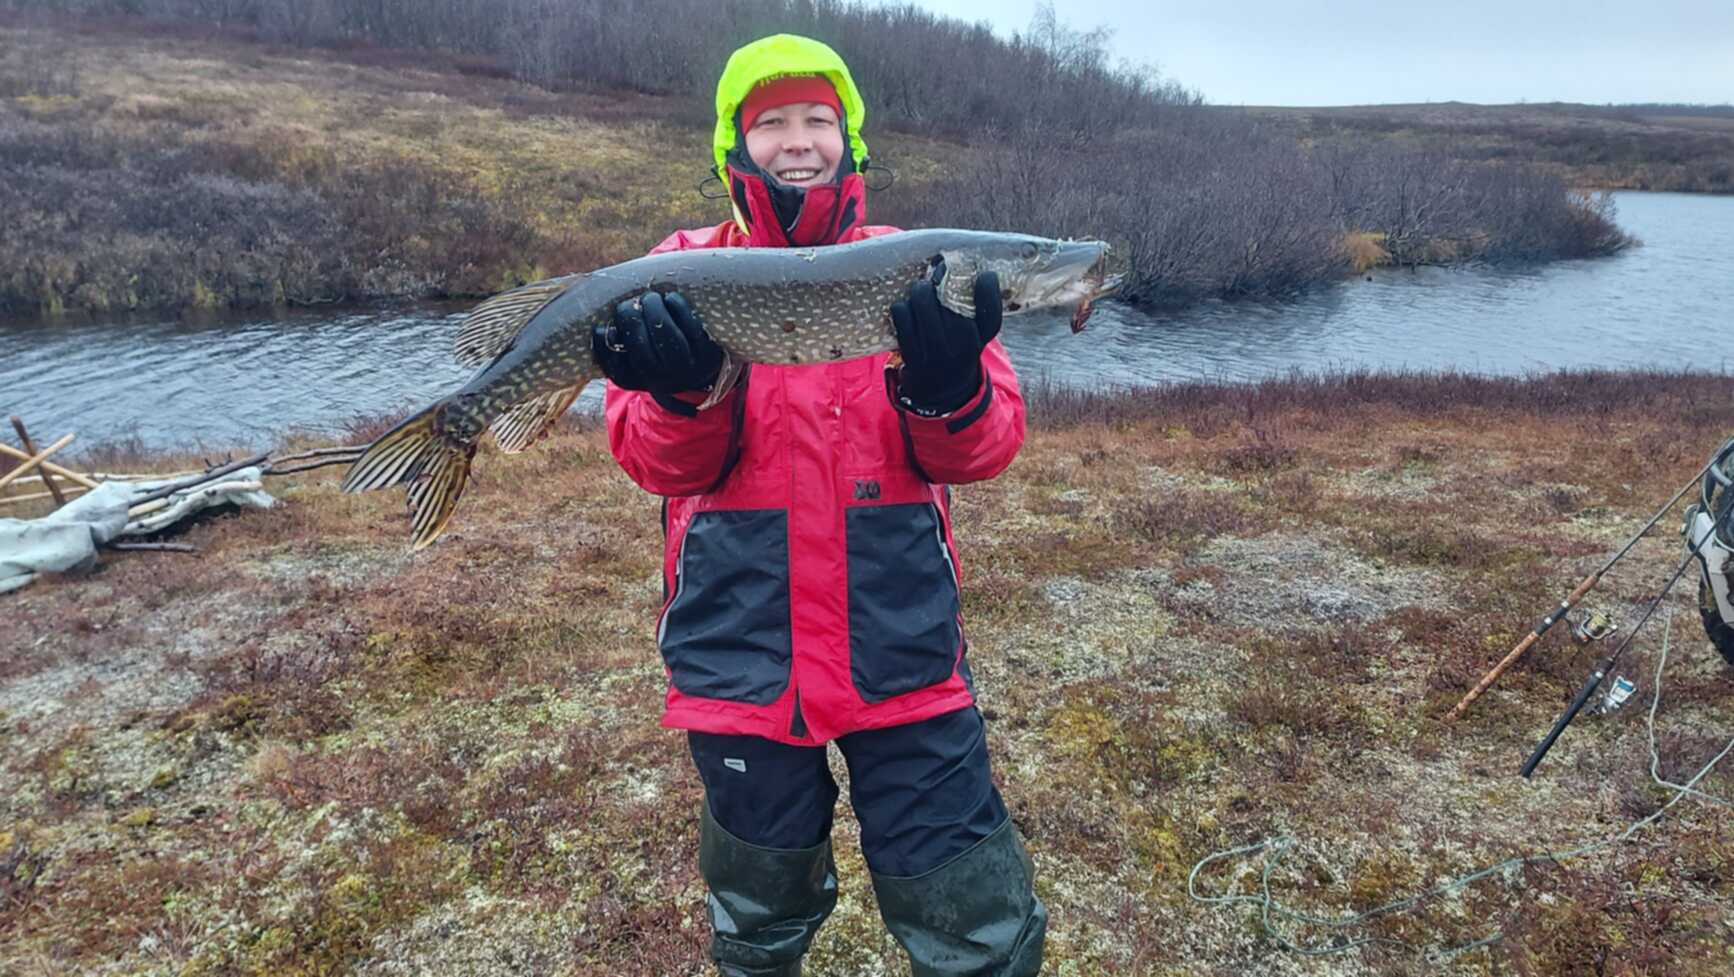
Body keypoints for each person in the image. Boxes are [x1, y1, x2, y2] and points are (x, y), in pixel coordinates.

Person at [592, 34, 1046, 977]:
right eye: (771, 124)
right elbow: (653, 463)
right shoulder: (673, 271)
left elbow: (986, 445)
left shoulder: (923, 268)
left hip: (903, 650)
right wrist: (685, 392)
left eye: (818, 121)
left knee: (975, 924)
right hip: (738, 660)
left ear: (851, 141)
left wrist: (947, 379)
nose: (799, 141)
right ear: (734, 146)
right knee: (758, 920)